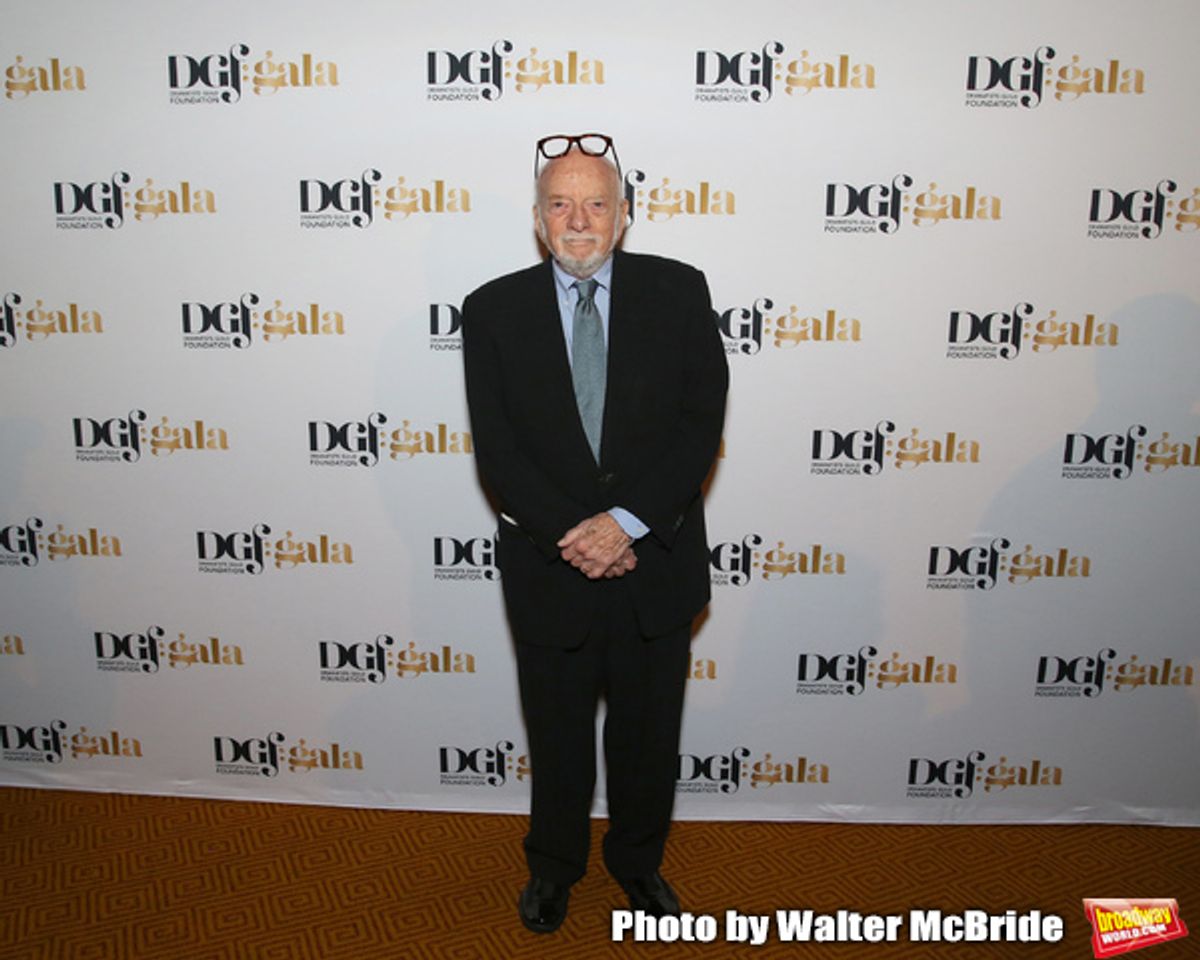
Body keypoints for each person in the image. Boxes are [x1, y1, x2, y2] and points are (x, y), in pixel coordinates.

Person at [461, 133, 728, 934]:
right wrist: (575, 533)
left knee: (650, 733)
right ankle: (553, 867)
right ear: (540, 221)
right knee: (558, 730)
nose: (579, 219)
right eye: (560, 204)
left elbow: (697, 424)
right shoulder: (491, 308)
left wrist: (626, 524)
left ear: (625, 213)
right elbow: (498, 446)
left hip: (656, 559)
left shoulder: (680, 292)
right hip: (551, 565)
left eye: (596, 202)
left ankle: (638, 862)